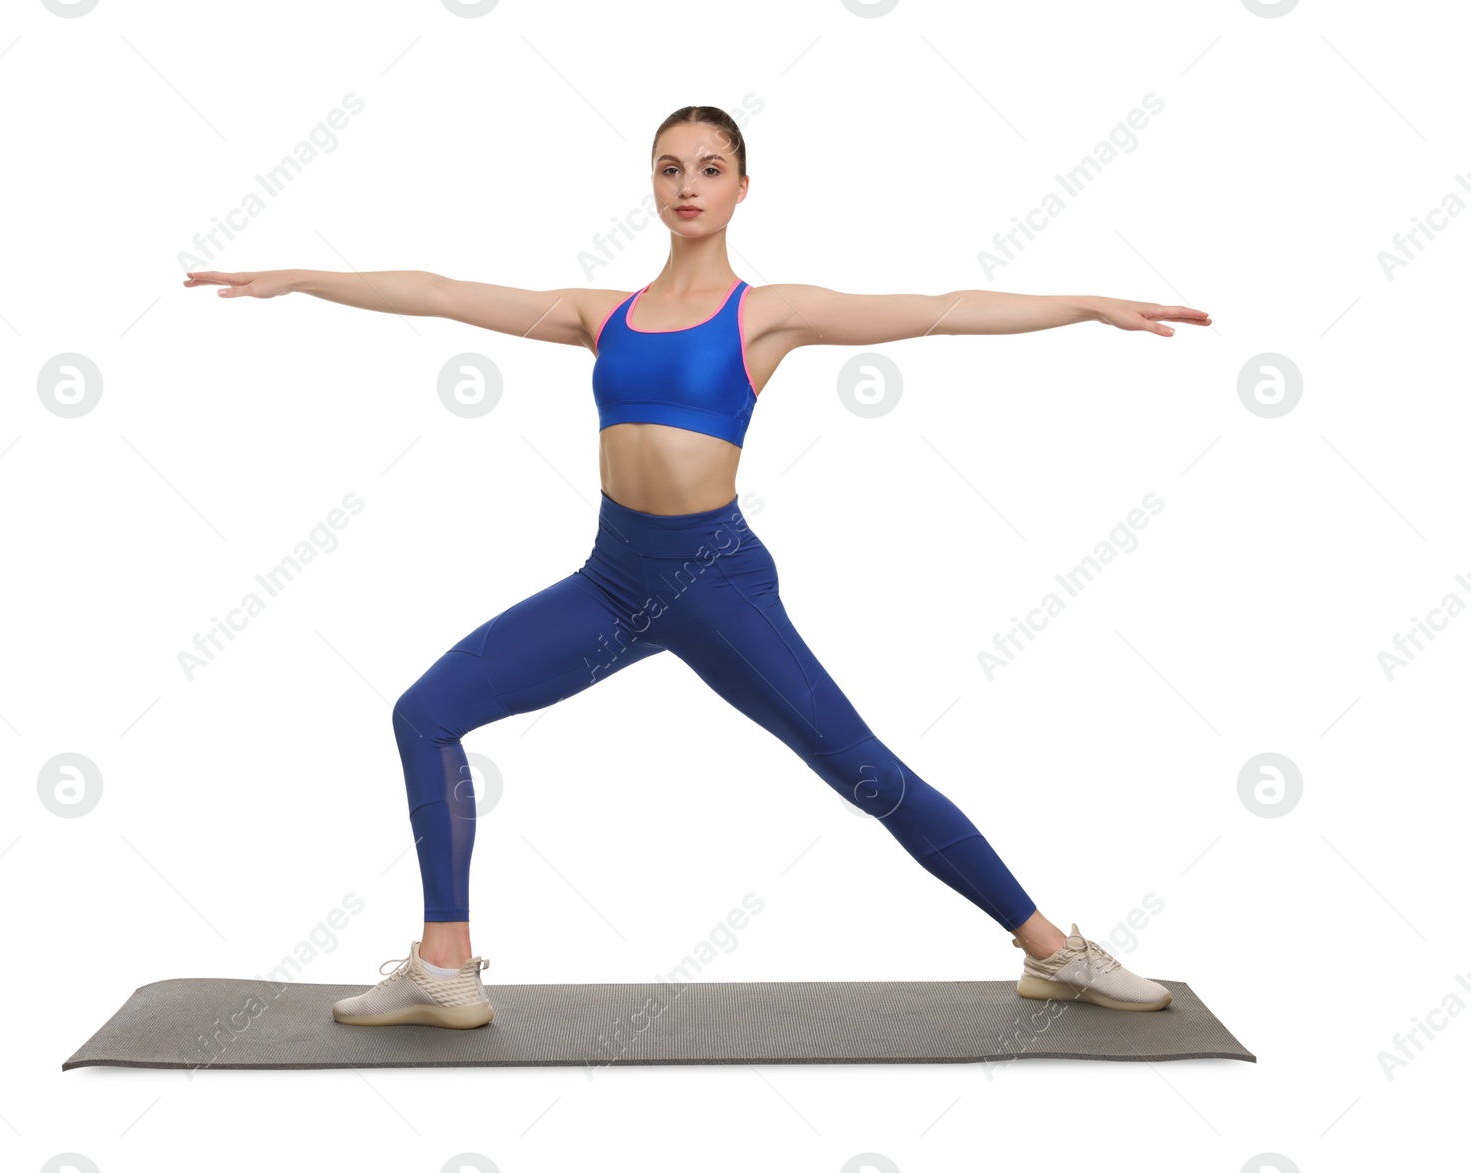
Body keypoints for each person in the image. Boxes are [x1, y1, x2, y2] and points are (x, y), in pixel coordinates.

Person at [184, 105, 1210, 1031]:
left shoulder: (768, 314)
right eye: (670, 168)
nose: (686, 186)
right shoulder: (601, 314)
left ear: (740, 188)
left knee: (864, 772)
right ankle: (444, 965)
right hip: (612, 585)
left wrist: (1082, 303)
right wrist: (303, 278)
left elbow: (939, 308)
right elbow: (444, 292)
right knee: (424, 713)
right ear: (653, 184)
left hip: (714, 584)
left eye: (708, 168)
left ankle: (1054, 954)